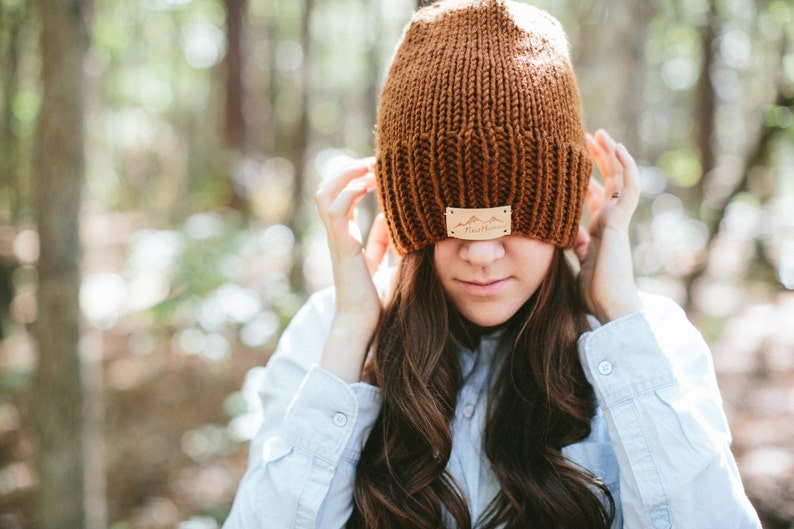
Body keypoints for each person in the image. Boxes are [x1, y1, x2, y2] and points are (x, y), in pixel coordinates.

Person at [223, 0, 762, 527]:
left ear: (561, 211)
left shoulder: (647, 341)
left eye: (513, 218)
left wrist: (619, 316)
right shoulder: (327, 335)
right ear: (408, 219)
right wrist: (350, 337)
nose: (481, 254)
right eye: (450, 221)